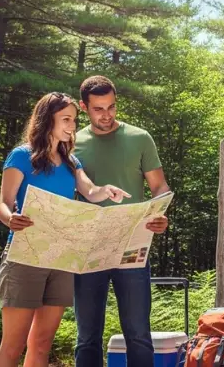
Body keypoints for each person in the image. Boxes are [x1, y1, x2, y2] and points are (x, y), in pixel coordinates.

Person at [0, 92, 130, 367]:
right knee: (13, 345)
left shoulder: (71, 162)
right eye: (66, 119)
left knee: (42, 343)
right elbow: (3, 204)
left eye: (74, 119)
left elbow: (90, 190)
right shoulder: (22, 156)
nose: (72, 125)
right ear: (47, 120)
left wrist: (105, 190)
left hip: (61, 257)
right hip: (25, 255)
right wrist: (10, 218)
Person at [72, 75, 170, 367]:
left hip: (132, 246)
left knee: (139, 334)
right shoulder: (72, 143)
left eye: (111, 107)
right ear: (84, 107)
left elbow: (159, 187)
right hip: (88, 247)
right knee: (87, 337)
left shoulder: (140, 138)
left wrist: (159, 214)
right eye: (99, 109)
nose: (107, 114)